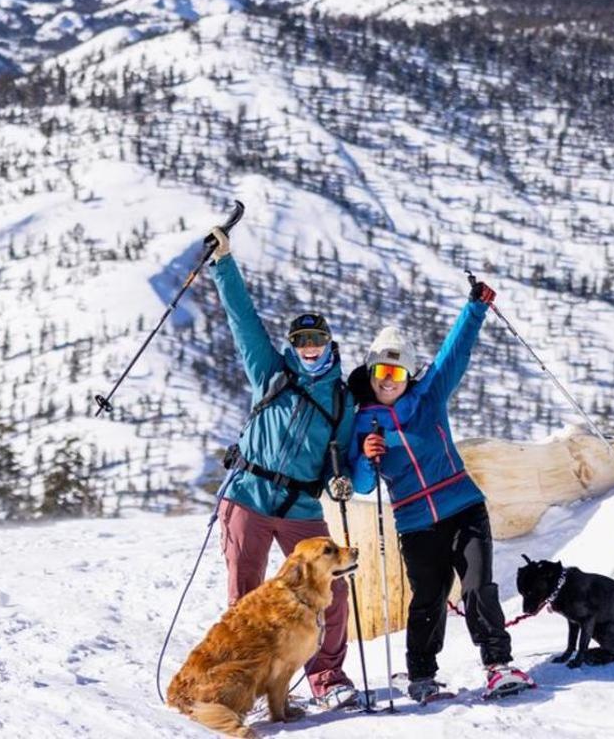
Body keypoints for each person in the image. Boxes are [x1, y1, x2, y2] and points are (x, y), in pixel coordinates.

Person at [348, 277, 534, 702]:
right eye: (381, 371)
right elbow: (360, 484)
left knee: (478, 588)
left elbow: (455, 354)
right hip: (415, 524)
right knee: (428, 598)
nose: (388, 380)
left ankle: (498, 665)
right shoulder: (360, 422)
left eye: (397, 372)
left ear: (410, 374)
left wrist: (475, 309)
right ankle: (421, 677)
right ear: (370, 371)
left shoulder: (429, 397)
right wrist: (365, 456)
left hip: (464, 507)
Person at [205, 224, 360, 708]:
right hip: (248, 494)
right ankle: (242, 678)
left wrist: (343, 480)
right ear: (292, 343)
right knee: (246, 599)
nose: (309, 346)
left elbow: (345, 456)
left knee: (328, 594)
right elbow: (242, 320)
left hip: (299, 505)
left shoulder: (341, 399)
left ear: (329, 342)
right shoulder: (270, 373)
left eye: (316, 338)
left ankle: (327, 677)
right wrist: (223, 263)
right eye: (301, 338)